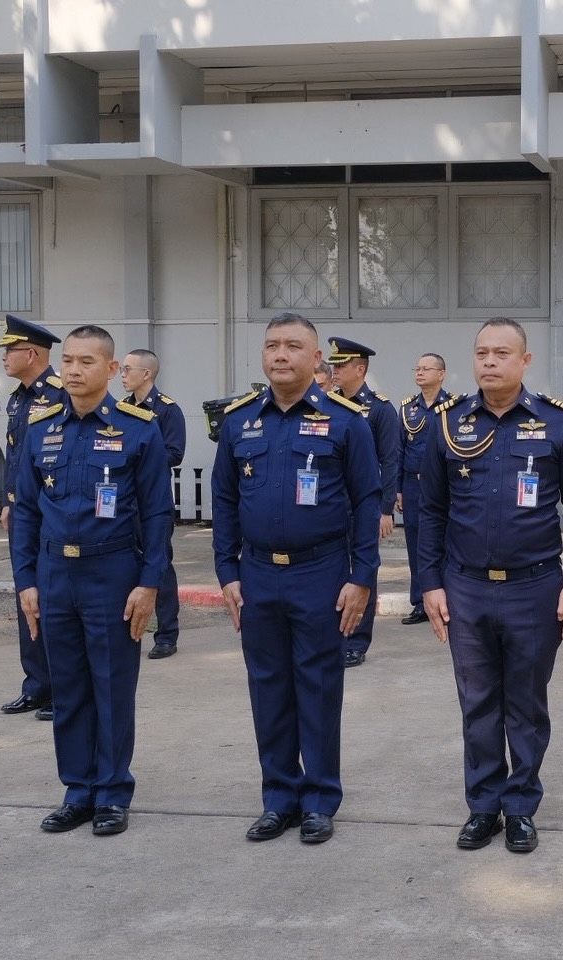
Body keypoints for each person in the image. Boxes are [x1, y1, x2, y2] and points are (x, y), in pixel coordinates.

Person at [418, 317, 563, 854]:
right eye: (482, 353)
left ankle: (520, 808)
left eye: (502, 353)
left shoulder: (557, 422)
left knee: (526, 702)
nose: (490, 362)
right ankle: (483, 806)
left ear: (525, 360)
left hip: (534, 588)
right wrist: (429, 583)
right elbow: (431, 510)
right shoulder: (450, 423)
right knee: (477, 703)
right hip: (465, 587)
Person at [211, 313, 380, 845]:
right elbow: (224, 499)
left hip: (321, 573)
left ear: (316, 358)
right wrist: (227, 571)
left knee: (319, 686)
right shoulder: (239, 421)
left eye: (292, 346)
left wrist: (362, 576)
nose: (280, 355)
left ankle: (319, 800)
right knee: (268, 687)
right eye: (272, 346)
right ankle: (278, 798)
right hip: (258, 574)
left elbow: (367, 501)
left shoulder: (346, 422)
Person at [10, 325, 173, 836]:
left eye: (87, 361)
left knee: (111, 686)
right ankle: (77, 791)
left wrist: (149, 583)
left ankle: (112, 793)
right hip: (55, 574)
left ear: (111, 368)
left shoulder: (139, 429)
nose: (75, 370)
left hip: (112, 573)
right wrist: (26, 581)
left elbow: (158, 514)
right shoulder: (41, 429)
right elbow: (26, 512)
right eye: (69, 361)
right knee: (69, 688)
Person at [0, 314, 68, 722]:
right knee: (27, 595)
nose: (4, 357)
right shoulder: (18, 398)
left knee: (55, 598)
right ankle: (36, 685)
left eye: (11, 350)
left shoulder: (60, 393)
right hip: (22, 511)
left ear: (33, 353)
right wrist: (9, 500)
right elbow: (16, 455)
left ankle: (63, 688)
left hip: (50, 511)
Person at [327, 337, 400, 667]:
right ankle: (334, 634)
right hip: (331, 503)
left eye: (341, 365)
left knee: (363, 570)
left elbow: (390, 460)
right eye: (333, 365)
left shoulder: (381, 410)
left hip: (363, 504)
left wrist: (385, 509)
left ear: (360, 369)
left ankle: (356, 640)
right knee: (331, 568)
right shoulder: (327, 405)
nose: (335, 371)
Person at [120, 348, 187, 660]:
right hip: (123, 500)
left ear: (146, 374)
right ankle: (128, 628)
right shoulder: (121, 409)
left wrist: (139, 456)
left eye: (128, 369)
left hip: (152, 500)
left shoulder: (167, 410)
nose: (122, 375)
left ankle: (167, 635)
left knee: (159, 564)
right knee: (123, 563)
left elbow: (175, 453)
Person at [397, 353, 450, 625]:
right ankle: (420, 602)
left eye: (426, 369)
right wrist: (397, 489)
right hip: (413, 484)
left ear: (441, 374)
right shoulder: (408, 409)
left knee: (447, 540)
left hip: (443, 485)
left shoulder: (453, 407)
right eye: (417, 368)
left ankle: (448, 598)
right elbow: (398, 451)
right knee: (416, 542)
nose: (419, 372)